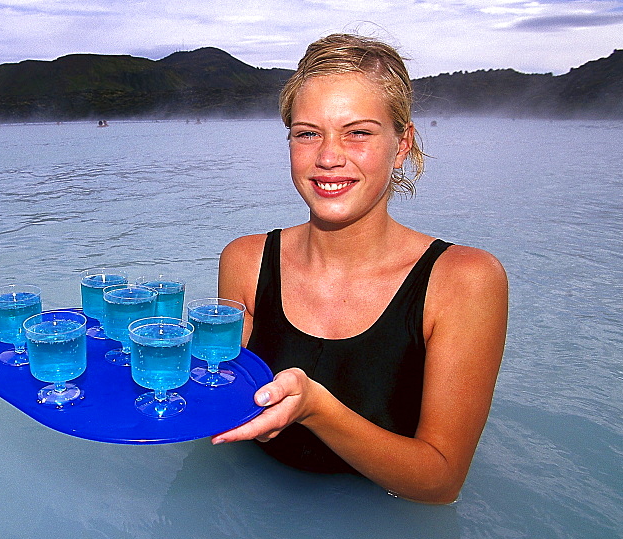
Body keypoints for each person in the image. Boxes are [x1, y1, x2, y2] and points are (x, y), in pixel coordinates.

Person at [211, 34, 508, 504]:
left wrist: (316, 410)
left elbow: (440, 482)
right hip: (250, 513)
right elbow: (223, 395)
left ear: (402, 142)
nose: (328, 157)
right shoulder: (246, 260)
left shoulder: (463, 280)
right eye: (307, 133)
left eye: (359, 132)